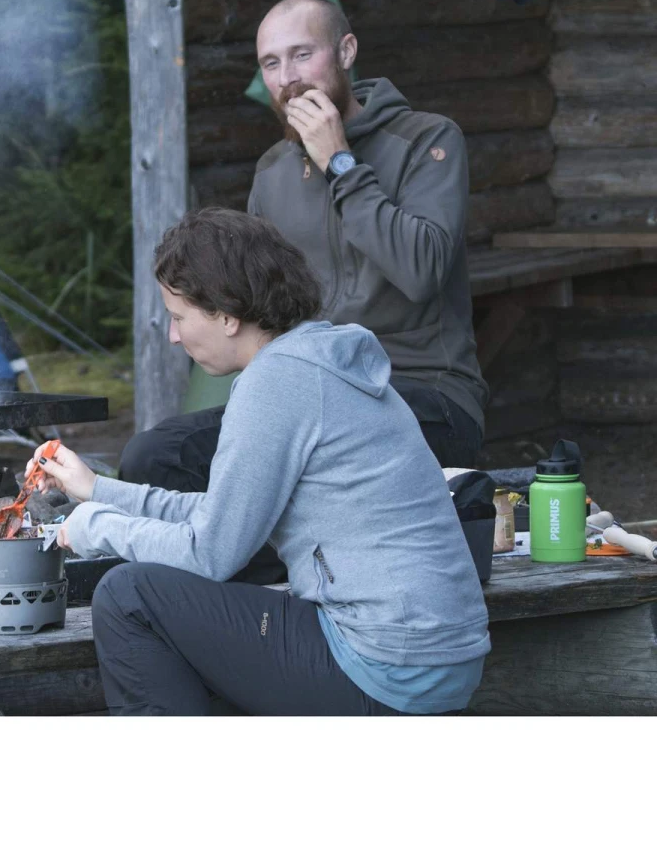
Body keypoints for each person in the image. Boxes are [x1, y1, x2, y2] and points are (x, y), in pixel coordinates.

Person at [32, 208, 490, 717]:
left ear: (227, 315)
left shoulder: (275, 384)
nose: (174, 336)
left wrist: (98, 527)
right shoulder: (317, 360)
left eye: (179, 317)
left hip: (387, 663)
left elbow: (211, 552)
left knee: (128, 595)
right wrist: (98, 490)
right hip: (437, 655)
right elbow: (222, 515)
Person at [120, 0, 488, 577]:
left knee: (304, 465)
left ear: (346, 52)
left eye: (301, 55)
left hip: (422, 395)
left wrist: (341, 162)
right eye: (271, 63)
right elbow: (259, 312)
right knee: (156, 455)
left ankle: (306, 593)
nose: (287, 78)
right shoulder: (273, 172)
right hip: (304, 398)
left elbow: (421, 271)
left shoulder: (427, 140)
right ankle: (238, 601)